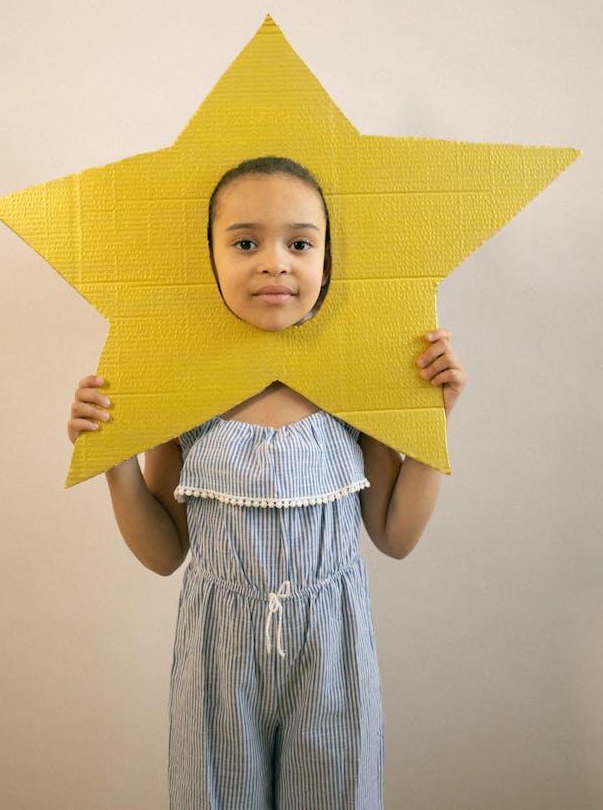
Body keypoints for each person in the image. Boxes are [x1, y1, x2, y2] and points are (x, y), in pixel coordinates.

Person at [68, 156, 466, 809]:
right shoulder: (186, 390)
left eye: (300, 242)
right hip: (218, 656)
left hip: (331, 647)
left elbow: (396, 536)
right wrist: (114, 463)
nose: (274, 262)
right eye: (246, 241)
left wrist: (429, 426)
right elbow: (166, 552)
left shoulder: (354, 383)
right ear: (212, 259)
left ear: (328, 261)